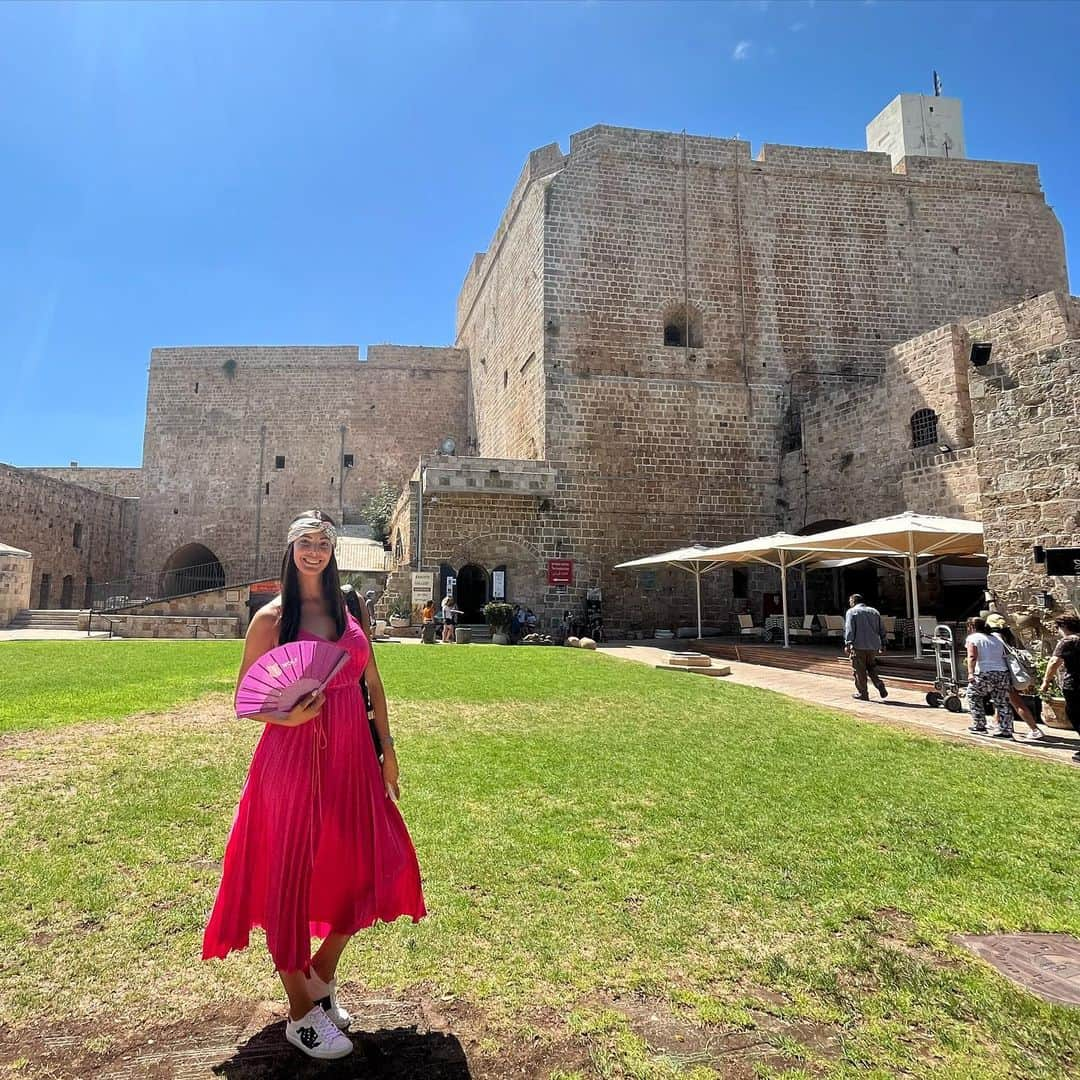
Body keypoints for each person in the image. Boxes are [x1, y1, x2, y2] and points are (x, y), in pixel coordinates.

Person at [202, 511, 426, 1061]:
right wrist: (290, 719)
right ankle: (301, 1010)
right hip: (292, 756)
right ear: (290, 548)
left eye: (324, 542)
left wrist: (388, 751)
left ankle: (321, 974)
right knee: (288, 873)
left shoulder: (351, 609)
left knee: (372, 859)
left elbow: (372, 680)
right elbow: (246, 701)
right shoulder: (273, 618)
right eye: (305, 542)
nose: (315, 550)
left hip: (352, 753)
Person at [985, 613, 1044, 741]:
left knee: (1016, 702)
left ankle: (1035, 729)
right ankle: (996, 722)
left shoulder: (995, 638)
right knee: (1001, 699)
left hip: (1005, 674)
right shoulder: (1008, 636)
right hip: (1008, 674)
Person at [964, 615, 1016, 739]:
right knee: (1002, 702)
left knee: (973, 695)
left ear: (971, 627)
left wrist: (970, 673)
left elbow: (972, 656)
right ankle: (1006, 729)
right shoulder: (996, 639)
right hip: (1001, 672)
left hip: (984, 672)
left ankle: (979, 725)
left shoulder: (973, 638)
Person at [1040, 614, 1080, 762]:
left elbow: (1054, 661)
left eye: (1058, 628)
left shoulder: (1068, 641)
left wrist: (1046, 681)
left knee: (1075, 714)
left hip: (1074, 683)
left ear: (1064, 626)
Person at [843, 593, 888, 701]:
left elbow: (850, 629)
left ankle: (863, 693)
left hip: (859, 645)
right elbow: (882, 628)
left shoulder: (851, 612)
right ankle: (878, 683)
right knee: (871, 667)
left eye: (850, 601)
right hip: (873, 646)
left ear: (853, 601)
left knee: (859, 670)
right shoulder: (874, 612)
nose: (849, 603)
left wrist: (848, 643)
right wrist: (884, 643)